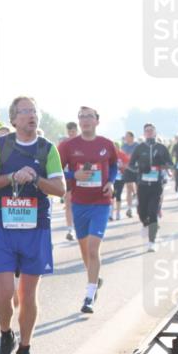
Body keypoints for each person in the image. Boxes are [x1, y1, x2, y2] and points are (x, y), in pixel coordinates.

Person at [0, 96, 66, 354]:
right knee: (2, 294)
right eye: (25, 111)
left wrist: (36, 179)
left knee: (28, 295)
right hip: (4, 227)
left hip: (35, 227)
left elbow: (60, 189)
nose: (31, 115)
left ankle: (25, 350)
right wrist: (13, 176)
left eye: (34, 111)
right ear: (13, 119)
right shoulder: (1, 146)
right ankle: (6, 335)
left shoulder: (47, 148)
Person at [58, 106, 118, 314]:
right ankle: (94, 279)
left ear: (97, 121)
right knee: (85, 251)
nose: (85, 120)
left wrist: (111, 182)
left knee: (93, 249)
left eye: (89, 116)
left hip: (101, 203)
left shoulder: (107, 145)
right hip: (79, 203)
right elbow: (57, 171)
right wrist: (74, 176)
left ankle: (89, 296)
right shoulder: (68, 146)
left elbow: (114, 166)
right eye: (81, 117)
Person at [127, 123, 173, 252]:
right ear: (144, 133)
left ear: (155, 132)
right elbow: (130, 165)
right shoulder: (139, 148)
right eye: (146, 131)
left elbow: (170, 164)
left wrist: (160, 166)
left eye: (151, 130)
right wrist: (140, 169)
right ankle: (147, 224)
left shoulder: (162, 148)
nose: (148, 132)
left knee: (153, 212)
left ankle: (152, 241)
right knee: (142, 212)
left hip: (156, 185)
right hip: (142, 185)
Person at [121, 131, 139, 217]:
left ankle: (139, 204)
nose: (125, 138)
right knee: (128, 187)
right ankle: (129, 208)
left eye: (127, 136)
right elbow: (121, 156)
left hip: (137, 169)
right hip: (127, 169)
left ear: (132, 137)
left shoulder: (137, 145)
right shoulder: (123, 146)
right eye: (125, 136)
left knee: (139, 187)